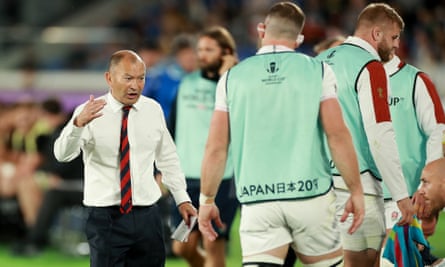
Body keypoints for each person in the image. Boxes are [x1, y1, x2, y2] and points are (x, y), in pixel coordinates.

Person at [198, 2, 365, 267]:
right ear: (299, 38)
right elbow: (337, 136)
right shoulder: (318, 71)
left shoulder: (231, 78)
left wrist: (206, 200)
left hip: (257, 200)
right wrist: (356, 191)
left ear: (261, 29)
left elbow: (216, 148)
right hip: (311, 195)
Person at [54, 50, 196, 267]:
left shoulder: (152, 109)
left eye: (141, 78)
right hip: (106, 216)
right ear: (109, 78)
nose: (136, 85)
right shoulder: (88, 111)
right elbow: (62, 155)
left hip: (147, 213)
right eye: (128, 78)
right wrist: (77, 126)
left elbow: (167, 158)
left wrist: (182, 198)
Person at [317, 3, 415, 266]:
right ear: (376, 34)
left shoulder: (315, 63)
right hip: (356, 185)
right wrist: (401, 196)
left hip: (315, 187)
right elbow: (379, 136)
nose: (396, 46)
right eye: (393, 37)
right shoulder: (371, 67)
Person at [169, 26, 239, 267]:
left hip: (222, 176)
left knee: (213, 244)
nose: (202, 55)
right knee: (182, 246)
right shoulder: (186, 82)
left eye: (209, 49)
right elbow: (173, 127)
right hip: (186, 177)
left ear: (226, 52)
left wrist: (227, 75)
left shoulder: (235, 85)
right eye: (200, 49)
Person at [381, 48, 445, 266]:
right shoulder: (360, 82)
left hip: (407, 188)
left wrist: (427, 183)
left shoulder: (415, 80)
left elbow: (438, 129)